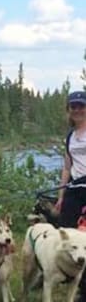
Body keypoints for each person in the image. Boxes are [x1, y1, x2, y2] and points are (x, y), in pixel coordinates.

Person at [56, 90, 86, 228]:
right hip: (74, 187)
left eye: (81, 106)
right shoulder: (70, 137)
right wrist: (61, 196)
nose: (77, 110)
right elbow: (67, 168)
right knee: (66, 229)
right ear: (68, 110)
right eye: (73, 107)